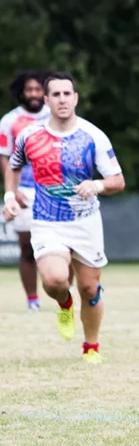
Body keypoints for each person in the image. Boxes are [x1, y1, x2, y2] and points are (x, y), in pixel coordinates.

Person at [2, 73, 125, 363]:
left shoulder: (93, 135)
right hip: (47, 221)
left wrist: (96, 185)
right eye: (55, 95)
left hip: (86, 222)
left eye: (67, 94)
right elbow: (13, 166)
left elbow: (118, 181)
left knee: (90, 288)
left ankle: (91, 346)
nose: (62, 100)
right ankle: (64, 302)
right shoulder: (29, 135)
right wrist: (10, 196)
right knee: (56, 279)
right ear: (46, 101)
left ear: (75, 98)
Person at [0, 70, 52, 311]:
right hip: (26, 190)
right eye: (28, 90)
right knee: (27, 248)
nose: (33, 94)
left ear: (45, 92)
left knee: (66, 245)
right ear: (21, 92)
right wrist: (12, 190)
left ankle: (68, 293)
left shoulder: (56, 116)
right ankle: (33, 301)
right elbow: (5, 158)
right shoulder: (9, 121)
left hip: (54, 188)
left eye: (37, 89)